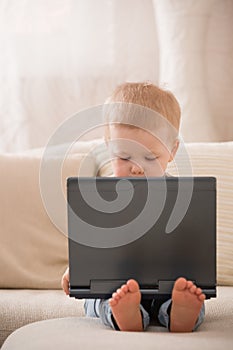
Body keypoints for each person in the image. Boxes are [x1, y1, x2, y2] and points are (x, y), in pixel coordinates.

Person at [62, 82, 206, 332]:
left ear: (172, 151)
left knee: (191, 292)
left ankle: (178, 314)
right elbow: (91, 247)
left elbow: (193, 245)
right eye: (124, 157)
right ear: (108, 147)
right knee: (97, 298)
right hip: (115, 287)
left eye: (150, 157)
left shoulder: (182, 198)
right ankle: (125, 316)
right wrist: (76, 270)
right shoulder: (100, 198)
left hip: (168, 285)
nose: (137, 167)